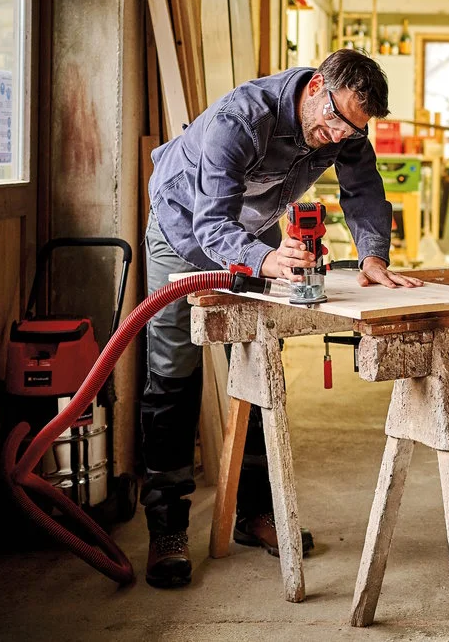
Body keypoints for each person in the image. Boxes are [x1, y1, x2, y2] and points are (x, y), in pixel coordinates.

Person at [141, 49, 423, 588]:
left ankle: (253, 512)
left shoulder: (345, 125)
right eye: (336, 121)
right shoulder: (241, 118)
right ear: (316, 86)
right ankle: (167, 526)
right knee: (174, 368)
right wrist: (267, 260)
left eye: (352, 130)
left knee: (256, 362)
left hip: (254, 232)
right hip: (184, 230)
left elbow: (363, 190)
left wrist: (372, 258)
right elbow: (210, 221)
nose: (340, 136)